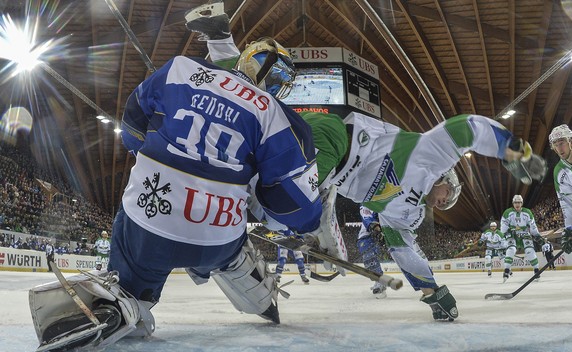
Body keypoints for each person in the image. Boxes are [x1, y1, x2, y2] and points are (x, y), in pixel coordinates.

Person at [192, 6, 547, 321]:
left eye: (448, 204)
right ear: (448, 180)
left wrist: (432, 293)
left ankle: (220, 40)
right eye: (449, 195)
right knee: (285, 197)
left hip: (327, 163)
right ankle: (317, 218)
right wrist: (514, 151)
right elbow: (466, 127)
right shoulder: (431, 157)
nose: (447, 202)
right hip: (336, 140)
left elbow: (404, 250)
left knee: (251, 117)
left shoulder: (407, 215)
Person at [28, 33, 323, 352]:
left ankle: (125, 305)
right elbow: (299, 209)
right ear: (281, 85)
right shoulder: (280, 118)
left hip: (148, 227)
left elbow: (131, 131)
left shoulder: (181, 69)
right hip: (217, 240)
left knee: (133, 244)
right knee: (234, 248)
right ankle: (262, 298)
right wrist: (272, 211)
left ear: (243, 58)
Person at [548, 124, 572, 257]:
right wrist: (570, 230)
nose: (559, 148)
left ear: (571, 142)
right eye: (555, 145)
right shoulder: (559, 172)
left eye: (561, 143)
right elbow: (569, 205)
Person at [499, 195, 545, 282]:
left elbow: (532, 225)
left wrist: (537, 235)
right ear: (513, 203)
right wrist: (505, 233)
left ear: (522, 203)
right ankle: (506, 270)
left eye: (519, 202)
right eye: (516, 202)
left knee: (529, 250)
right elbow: (503, 225)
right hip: (512, 234)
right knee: (511, 249)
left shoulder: (527, 212)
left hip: (524, 234)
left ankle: (536, 270)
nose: (517, 204)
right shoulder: (507, 212)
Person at [357, 205, 388, 298]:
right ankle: (379, 280)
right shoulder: (368, 200)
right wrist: (374, 227)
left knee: (406, 256)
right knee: (368, 256)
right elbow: (366, 215)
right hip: (369, 233)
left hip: (392, 230)